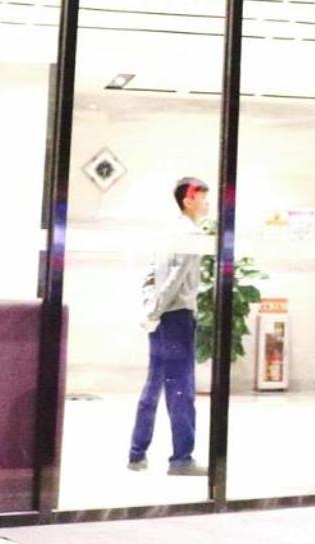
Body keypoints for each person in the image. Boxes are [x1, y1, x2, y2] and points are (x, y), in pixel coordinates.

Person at [130, 175, 212, 476]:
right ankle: (181, 459)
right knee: (182, 390)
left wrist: (150, 310)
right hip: (177, 317)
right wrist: (157, 309)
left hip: (161, 317)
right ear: (188, 200)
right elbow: (175, 280)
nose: (207, 204)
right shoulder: (191, 235)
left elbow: (151, 275)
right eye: (203, 198)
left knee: (153, 384)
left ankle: (136, 453)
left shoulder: (167, 232)